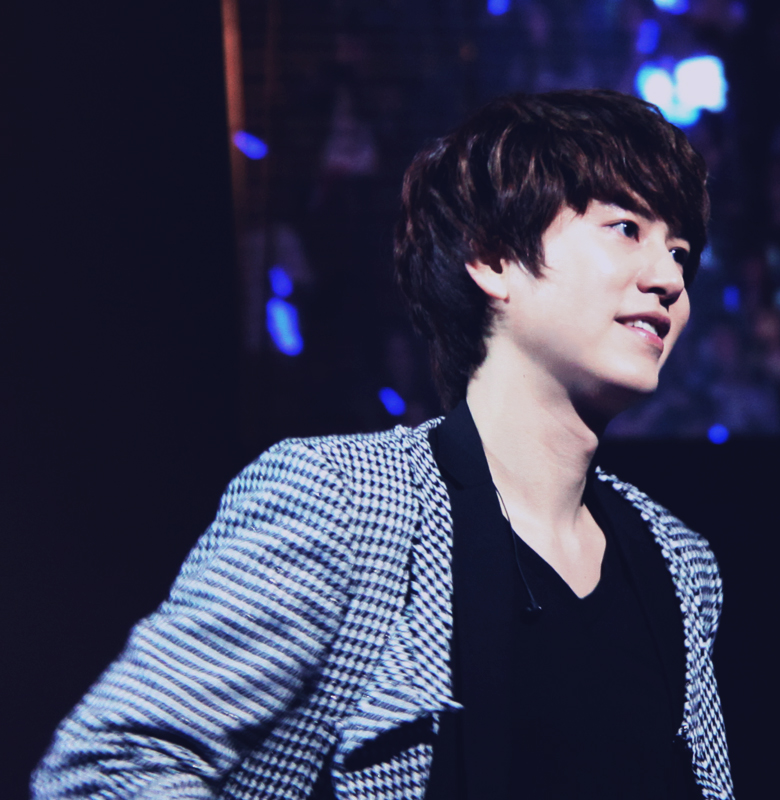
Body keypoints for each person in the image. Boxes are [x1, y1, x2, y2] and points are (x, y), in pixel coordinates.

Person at [33, 89, 733, 800]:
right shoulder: (342, 504)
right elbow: (108, 769)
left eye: (680, 251)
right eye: (625, 228)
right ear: (492, 258)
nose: (669, 278)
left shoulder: (680, 564)